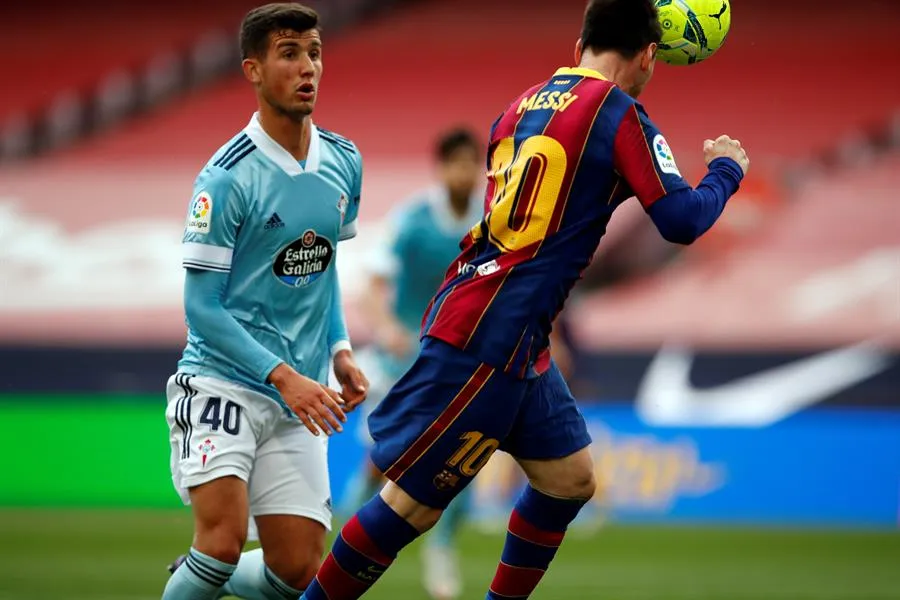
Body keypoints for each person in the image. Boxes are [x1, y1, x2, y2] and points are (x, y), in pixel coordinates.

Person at [300, 0, 749, 598]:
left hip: (513, 334)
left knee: (569, 479)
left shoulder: (520, 107)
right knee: (411, 505)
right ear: (648, 56)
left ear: (578, 47)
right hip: (489, 335)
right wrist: (725, 171)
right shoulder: (617, 113)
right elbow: (682, 219)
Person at [161, 4, 368, 599]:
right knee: (220, 544)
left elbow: (321, 266)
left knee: (296, 571)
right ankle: (202, 572)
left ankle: (196, 581)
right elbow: (201, 307)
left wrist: (338, 347)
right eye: (289, 53)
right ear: (253, 70)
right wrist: (283, 376)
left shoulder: (344, 161)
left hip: (299, 395)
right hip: (223, 383)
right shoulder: (226, 178)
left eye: (315, 53)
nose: (308, 68)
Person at [345, 127, 485, 600]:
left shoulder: (491, 219)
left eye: (471, 163)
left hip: (460, 363)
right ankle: (346, 542)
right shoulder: (412, 219)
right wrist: (388, 328)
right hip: (403, 361)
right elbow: (369, 288)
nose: (464, 172)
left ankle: (441, 548)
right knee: (382, 463)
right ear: (441, 168)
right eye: (456, 163)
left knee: (464, 457)